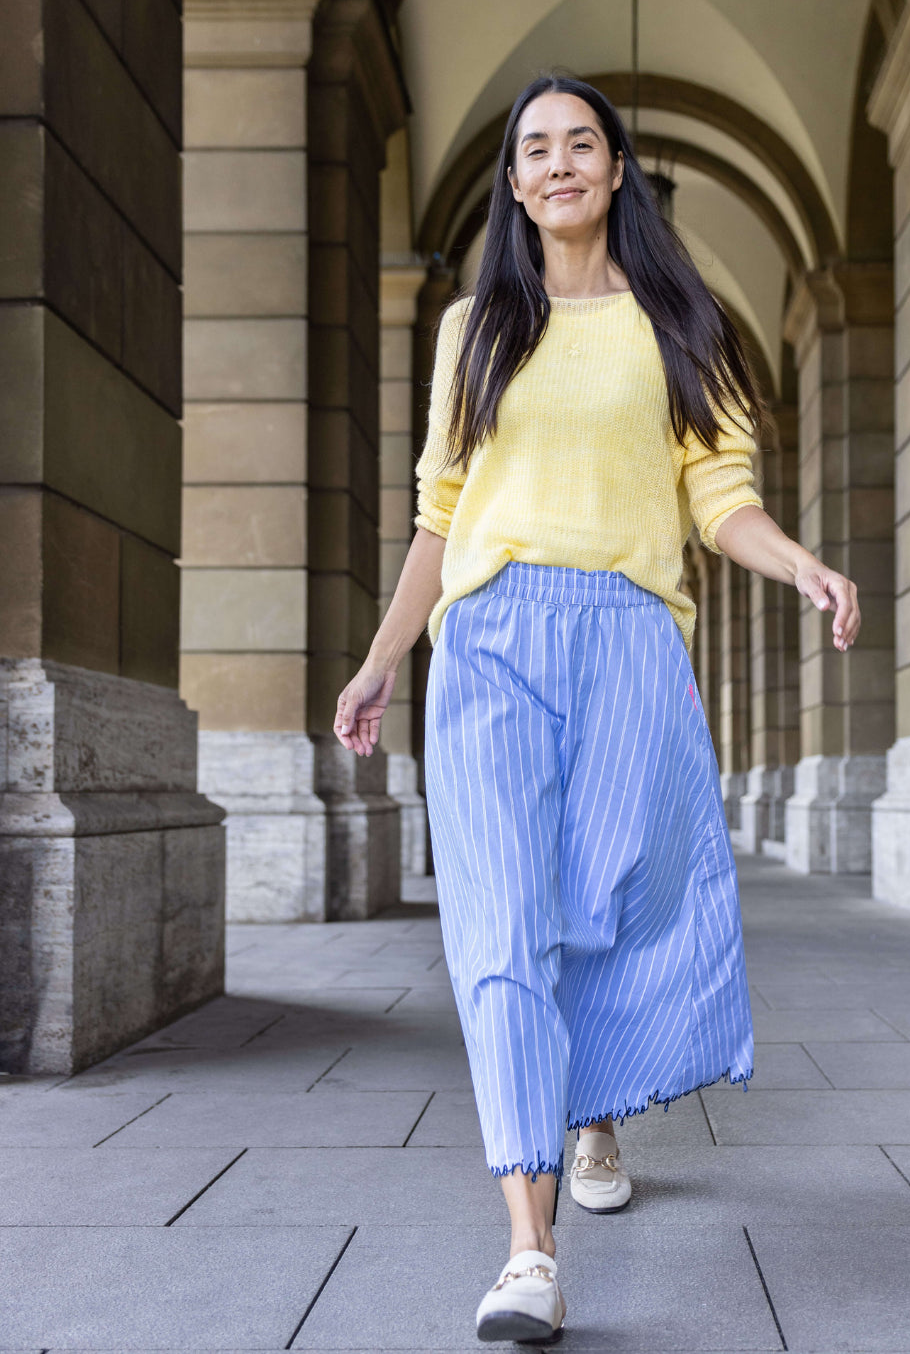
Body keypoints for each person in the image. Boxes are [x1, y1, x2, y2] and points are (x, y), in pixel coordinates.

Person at [333, 73, 860, 1344]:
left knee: (607, 902)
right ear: (515, 184)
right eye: (535, 149)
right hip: (494, 641)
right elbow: (439, 518)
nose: (558, 163)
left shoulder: (682, 324)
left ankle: (596, 1110)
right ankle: (528, 1250)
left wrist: (796, 562)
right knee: (503, 922)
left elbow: (718, 495)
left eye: (581, 143)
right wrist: (380, 658)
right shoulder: (475, 330)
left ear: (617, 169)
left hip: (630, 639)